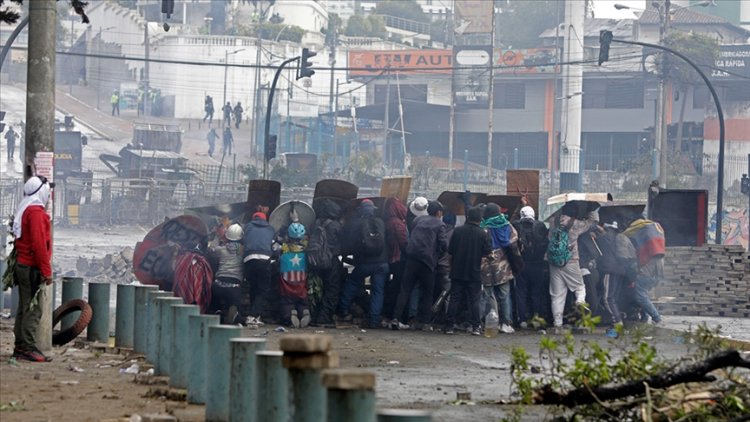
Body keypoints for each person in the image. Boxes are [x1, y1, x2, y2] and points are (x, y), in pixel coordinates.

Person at [11, 176, 54, 362]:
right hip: (31, 267)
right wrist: (46, 271)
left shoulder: (26, 209)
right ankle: (28, 347)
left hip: (23, 264)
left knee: (24, 307)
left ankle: (20, 346)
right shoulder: (36, 212)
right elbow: (39, 246)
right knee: (33, 310)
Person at [391, 200, 448, 331]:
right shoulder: (440, 224)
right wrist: (437, 252)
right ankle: (425, 322)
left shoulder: (418, 220)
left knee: (405, 290)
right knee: (427, 292)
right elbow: (444, 245)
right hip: (427, 262)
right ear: (439, 212)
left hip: (411, 259)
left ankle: (396, 318)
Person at [337, 199, 389, 328]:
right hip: (382, 263)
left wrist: (346, 257)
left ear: (360, 210)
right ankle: (374, 320)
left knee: (352, 283)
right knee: (378, 290)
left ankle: (343, 310)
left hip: (364, 262)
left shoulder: (356, 223)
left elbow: (349, 244)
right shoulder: (381, 222)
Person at [547, 203, 599, 332]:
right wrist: (591, 210)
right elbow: (591, 223)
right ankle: (580, 302)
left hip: (554, 261)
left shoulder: (553, 221)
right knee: (579, 287)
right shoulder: (576, 224)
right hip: (571, 260)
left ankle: (557, 324)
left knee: (557, 294)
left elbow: (549, 236)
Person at [444, 206, 492, 335]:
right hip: (474, 272)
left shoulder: (458, 231)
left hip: (457, 270)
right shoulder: (483, 233)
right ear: (480, 219)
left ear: (468, 217)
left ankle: (449, 326)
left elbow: (451, 252)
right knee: (474, 300)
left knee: (454, 299)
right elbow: (487, 253)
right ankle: (475, 326)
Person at [480, 203, 517, 334]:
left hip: (485, 264)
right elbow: (514, 240)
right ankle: (506, 323)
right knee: (504, 295)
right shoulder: (506, 225)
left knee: (487, 295)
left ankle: (486, 323)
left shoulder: (483, 226)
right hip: (503, 264)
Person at [511, 204, 550, 327]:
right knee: (536, 293)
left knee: (521, 292)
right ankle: (537, 318)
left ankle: (522, 319)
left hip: (521, 264)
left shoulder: (516, 225)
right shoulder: (541, 226)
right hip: (538, 265)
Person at [597, 221, 637, 337]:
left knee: (608, 298)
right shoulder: (620, 238)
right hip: (621, 271)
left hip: (611, 270)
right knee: (614, 297)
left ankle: (618, 321)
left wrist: (598, 230)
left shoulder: (605, 237)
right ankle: (617, 321)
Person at [309, 198, 345, 327]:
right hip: (331, 262)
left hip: (315, 261)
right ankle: (324, 318)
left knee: (316, 288)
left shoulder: (315, 223)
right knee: (331, 289)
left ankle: (313, 315)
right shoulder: (336, 225)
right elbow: (342, 242)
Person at [242, 211, 275, 327]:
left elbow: (244, 241)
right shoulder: (270, 229)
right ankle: (253, 315)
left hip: (249, 259)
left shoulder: (248, 227)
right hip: (265, 259)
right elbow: (274, 245)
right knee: (263, 289)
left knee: (253, 287)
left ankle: (255, 315)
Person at [207, 224, 244, 324]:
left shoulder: (221, 250)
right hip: (234, 286)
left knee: (215, 304)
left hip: (218, 284)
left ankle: (218, 312)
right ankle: (235, 314)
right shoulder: (243, 251)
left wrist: (217, 236)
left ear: (227, 237)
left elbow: (210, 250)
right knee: (236, 310)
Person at [279, 222, 311, 328]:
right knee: (303, 300)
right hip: (301, 281)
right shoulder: (306, 248)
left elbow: (276, 246)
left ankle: (290, 315)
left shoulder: (284, 248)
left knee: (287, 302)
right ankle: (304, 311)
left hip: (286, 282)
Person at [382, 197, 408, 324]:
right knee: (398, 288)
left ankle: (385, 313)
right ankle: (395, 315)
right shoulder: (398, 223)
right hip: (398, 259)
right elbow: (404, 243)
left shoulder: (386, 221)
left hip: (388, 258)